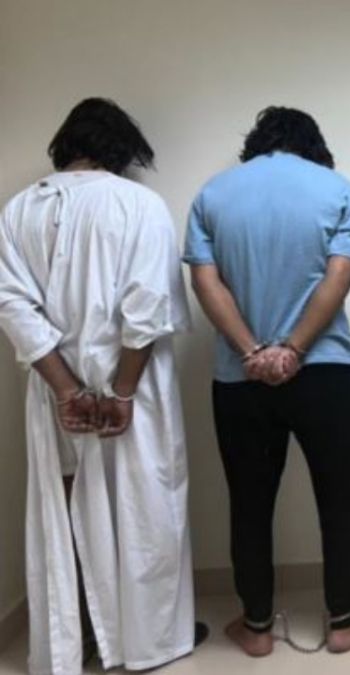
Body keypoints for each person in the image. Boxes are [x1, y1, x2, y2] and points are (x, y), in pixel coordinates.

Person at [0, 98, 204, 674]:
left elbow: (12, 304)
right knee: (145, 511)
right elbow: (147, 305)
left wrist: (67, 390)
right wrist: (120, 392)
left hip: (54, 386)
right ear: (123, 149)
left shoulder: (20, 209)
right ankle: (145, 641)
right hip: (133, 385)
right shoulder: (139, 204)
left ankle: (81, 637)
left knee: (65, 505)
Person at [184, 107, 350, 656]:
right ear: (313, 145)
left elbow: (206, 283)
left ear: (256, 143)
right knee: (340, 498)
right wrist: (294, 348)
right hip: (325, 371)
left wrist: (253, 351)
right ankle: (345, 620)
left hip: (240, 377)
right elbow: (339, 277)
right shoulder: (338, 189)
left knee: (249, 503)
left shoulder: (212, 194)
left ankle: (256, 627)